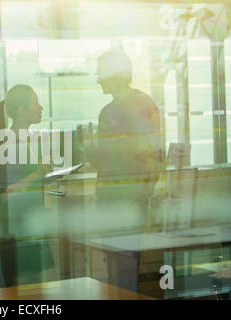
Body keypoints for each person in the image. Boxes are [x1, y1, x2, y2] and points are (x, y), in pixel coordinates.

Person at [79, 49, 164, 292]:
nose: (97, 79)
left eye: (100, 74)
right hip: (110, 201)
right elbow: (104, 163)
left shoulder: (142, 105)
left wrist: (139, 198)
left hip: (127, 202)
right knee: (114, 268)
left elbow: (153, 157)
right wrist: (88, 147)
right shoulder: (107, 111)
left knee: (124, 268)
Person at [0, 85, 54, 286]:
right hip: (19, 225)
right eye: (35, 103)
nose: (40, 107)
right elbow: (6, 192)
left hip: (31, 222)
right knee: (26, 287)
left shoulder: (27, 139)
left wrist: (44, 174)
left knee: (38, 285)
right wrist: (36, 174)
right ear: (21, 110)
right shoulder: (9, 143)